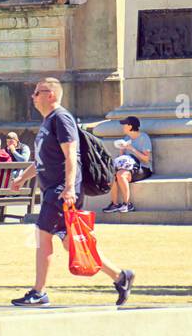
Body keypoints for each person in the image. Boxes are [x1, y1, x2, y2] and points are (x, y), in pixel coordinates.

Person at [10, 77, 134, 307]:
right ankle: (121, 277)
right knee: (72, 243)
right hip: (55, 189)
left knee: (43, 235)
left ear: (51, 95)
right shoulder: (48, 121)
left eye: (37, 92)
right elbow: (42, 160)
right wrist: (21, 178)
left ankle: (39, 292)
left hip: (60, 191)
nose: (33, 97)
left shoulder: (61, 118)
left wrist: (68, 188)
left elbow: (71, 155)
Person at [105, 116, 153, 214]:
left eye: (124, 125)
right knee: (112, 175)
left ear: (130, 126)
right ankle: (114, 204)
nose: (123, 127)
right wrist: (121, 150)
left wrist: (132, 149)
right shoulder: (126, 138)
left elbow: (146, 159)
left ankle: (127, 204)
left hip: (143, 168)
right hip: (128, 167)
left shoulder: (144, 137)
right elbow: (122, 158)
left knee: (121, 175)